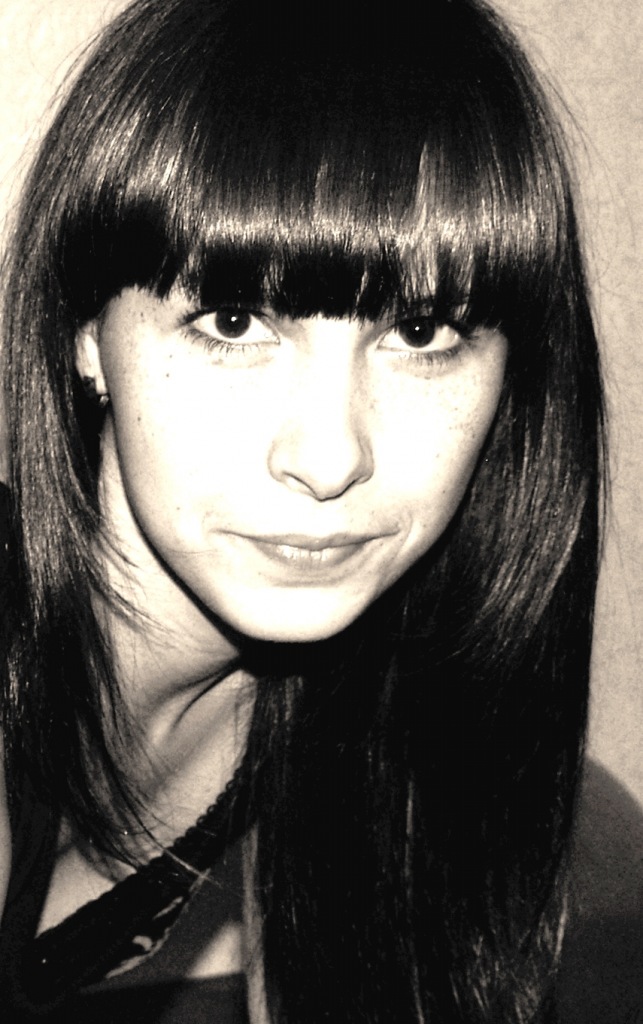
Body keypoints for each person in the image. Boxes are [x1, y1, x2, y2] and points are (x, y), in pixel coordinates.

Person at [0, 0, 609, 1020]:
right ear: (86, 332)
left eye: (421, 332)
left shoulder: (372, 719)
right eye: (235, 321)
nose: (329, 459)